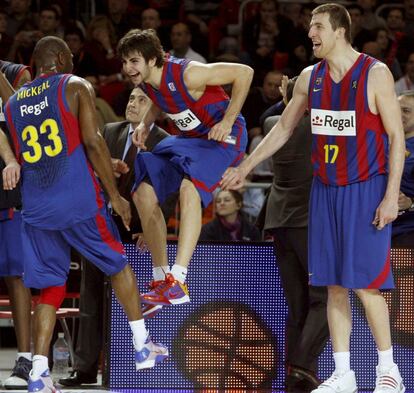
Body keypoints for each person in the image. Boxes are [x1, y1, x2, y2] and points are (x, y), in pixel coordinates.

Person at [222, 3, 406, 392]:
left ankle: (388, 370)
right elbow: (283, 129)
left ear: (340, 30)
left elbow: (396, 138)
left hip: (365, 188)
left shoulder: (374, 74)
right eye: (310, 28)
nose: (311, 34)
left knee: (365, 285)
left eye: (318, 27)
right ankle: (344, 373)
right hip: (323, 190)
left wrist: (392, 195)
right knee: (333, 284)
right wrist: (245, 165)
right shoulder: (310, 77)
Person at [3, 36, 168, 393]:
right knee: (118, 265)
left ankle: (39, 372)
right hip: (77, 200)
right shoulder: (74, 84)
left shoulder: (15, 102)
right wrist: (115, 197)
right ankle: (142, 345)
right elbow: (93, 142)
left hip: (36, 208)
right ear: (61, 58)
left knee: (50, 289)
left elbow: (43, 152)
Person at [117, 29, 252, 312]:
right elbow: (159, 97)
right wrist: (144, 123)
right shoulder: (149, 81)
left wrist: (227, 121)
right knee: (143, 188)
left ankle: (178, 279)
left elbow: (245, 73)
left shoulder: (188, 73)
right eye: (126, 62)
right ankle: (159, 279)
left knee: (189, 187)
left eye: (134, 61)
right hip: (191, 141)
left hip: (223, 138)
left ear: (153, 59)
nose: (128, 68)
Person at [59, 86, 172, 387]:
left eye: (142, 100)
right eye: (132, 98)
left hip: (136, 229)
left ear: (155, 108)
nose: (134, 103)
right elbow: (85, 170)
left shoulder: (163, 141)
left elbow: (169, 193)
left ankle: (123, 364)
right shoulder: (109, 131)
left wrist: (151, 229)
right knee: (91, 295)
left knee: (129, 299)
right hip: (101, 222)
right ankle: (84, 368)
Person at [260, 77, 329, 392]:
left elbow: (281, 113)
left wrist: (290, 97)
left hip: (279, 223)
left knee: (299, 304)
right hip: (308, 224)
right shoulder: (316, 128)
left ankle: (300, 379)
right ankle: (300, 365)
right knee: (325, 299)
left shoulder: (273, 122)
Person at [0, 59, 32, 390]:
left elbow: (22, 115)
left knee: (16, 274)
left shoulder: (16, 74)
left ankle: (24, 359)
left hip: (10, 187)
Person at [392, 91, 414, 246]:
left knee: (401, 271)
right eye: (396, 108)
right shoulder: (380, 142)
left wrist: (411, 203)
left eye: (406, 110)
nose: (398, 114)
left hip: (406, 233)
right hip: (375, 231)